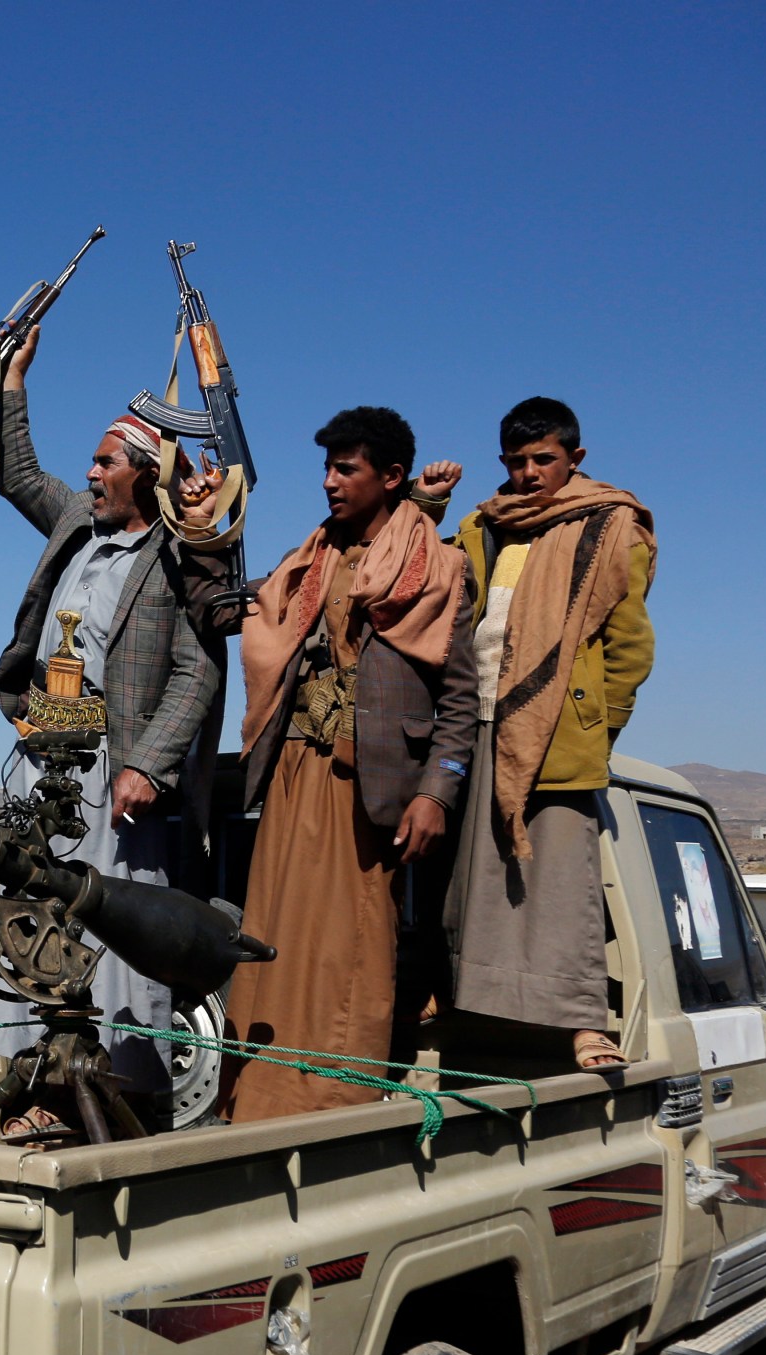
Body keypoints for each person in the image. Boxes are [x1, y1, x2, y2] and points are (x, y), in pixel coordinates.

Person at [195, 407, 480, 1122]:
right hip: (294, 773)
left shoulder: (441, 569)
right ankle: (258, 1099)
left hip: (371, 786)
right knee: (276, 943)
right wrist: (203, 530)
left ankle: (332, 1102)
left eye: (344, 469)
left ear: (391, 477)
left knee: (348, 950)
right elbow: (220, 608)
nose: (328, 483)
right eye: (325, 468)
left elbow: (460, 694)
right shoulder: (308, 562)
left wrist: (436, 795)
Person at [0, 326, 228, 1127]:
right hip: (49, 752)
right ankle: (42, 1089)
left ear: (145, 475)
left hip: (119, 773)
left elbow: (198, 669)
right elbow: (17, 474)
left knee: (120, 922)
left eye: (105, 463)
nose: (89, 474)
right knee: (30, 909)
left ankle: (130, 1101)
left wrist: (149, 767)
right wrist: (13, 377)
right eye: (90, 462)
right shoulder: (76, 524)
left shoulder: (180, 554)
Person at [439, 398, 655, 1071]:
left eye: (543, 460)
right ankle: (462, 1004)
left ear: (575, 458)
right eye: (516, 462)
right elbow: (435, 589)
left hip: (557, 733)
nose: (529, 474)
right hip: (474, 723)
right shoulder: (482, 524)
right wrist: (426, 505)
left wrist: (594, 725)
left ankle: (583, 1026)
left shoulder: (611, 525)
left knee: (560, 883)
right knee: (468, 882)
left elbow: (630, 649)